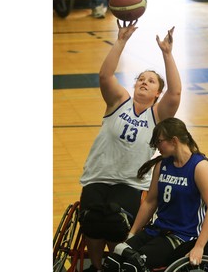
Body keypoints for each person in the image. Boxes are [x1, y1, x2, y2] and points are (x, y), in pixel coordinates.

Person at [79, 20, 182, 272]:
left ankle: (115, 265)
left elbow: (176, 93)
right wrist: (121, 41)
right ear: (134, 85)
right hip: (98, 176)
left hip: (130, 183)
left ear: (158, 93)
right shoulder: (118, 101)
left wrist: (167, 54)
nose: (144, 83)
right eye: (141, 80)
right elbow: (105, 75)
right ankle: (97, 268)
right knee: (92, 222)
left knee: (115, 224)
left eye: (151, 81)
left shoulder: (158, 115)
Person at [103, 117, 208, 272]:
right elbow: (150, 202)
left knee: (133, 265)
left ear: (174, 141)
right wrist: (132, 233)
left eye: (159, 142)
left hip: (183, 236)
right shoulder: (162, 164)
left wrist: (199, 246)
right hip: (157, 230)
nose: (157, 147)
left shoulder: (200, 167)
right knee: (114, 259)